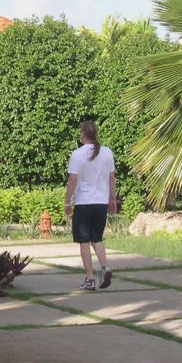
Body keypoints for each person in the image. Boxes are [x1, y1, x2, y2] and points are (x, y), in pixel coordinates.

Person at [64, 121, 116, 291]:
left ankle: (90, 279)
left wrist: (67, 201)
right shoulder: (107, 152)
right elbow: (111, 178)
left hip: (84, 202)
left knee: (84, 241)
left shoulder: (77, 154)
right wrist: (112, 199)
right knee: (97, 238)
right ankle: (104, 267)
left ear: (83, 135)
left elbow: (73, 179)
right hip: (101, 202)